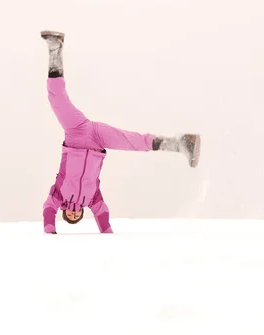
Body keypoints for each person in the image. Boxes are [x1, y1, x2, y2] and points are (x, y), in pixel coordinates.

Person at [40, 30, 201, 234]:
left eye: (69, 216)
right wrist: (107, 233)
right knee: (134, 142)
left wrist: (50, 230)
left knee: (57, 99)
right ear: (81, 214)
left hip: (77, 133)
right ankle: (181, 144)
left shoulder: (58, 195)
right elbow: (101, 212)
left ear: (64, 212)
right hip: (98, 141)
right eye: (76, 217)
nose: (73, 215)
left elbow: (48, 208)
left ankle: (55, 48)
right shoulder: (91, 198)